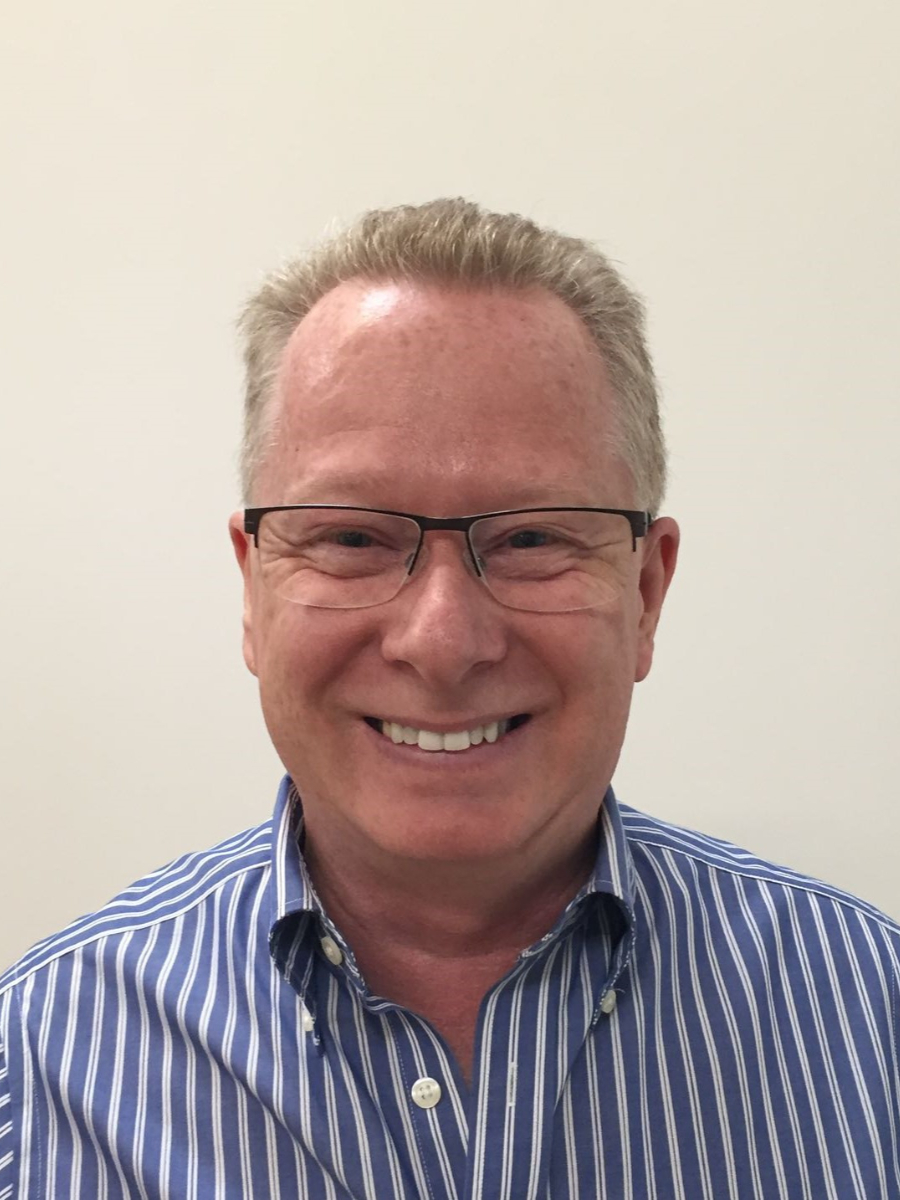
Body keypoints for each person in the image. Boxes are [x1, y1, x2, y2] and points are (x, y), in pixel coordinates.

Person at [1, 199, 897, 1200]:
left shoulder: (873, 1017)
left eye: (532, 538)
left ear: (646, 593)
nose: (441, 642)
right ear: (253, 589)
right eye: (350, 538)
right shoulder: (36, 1067)